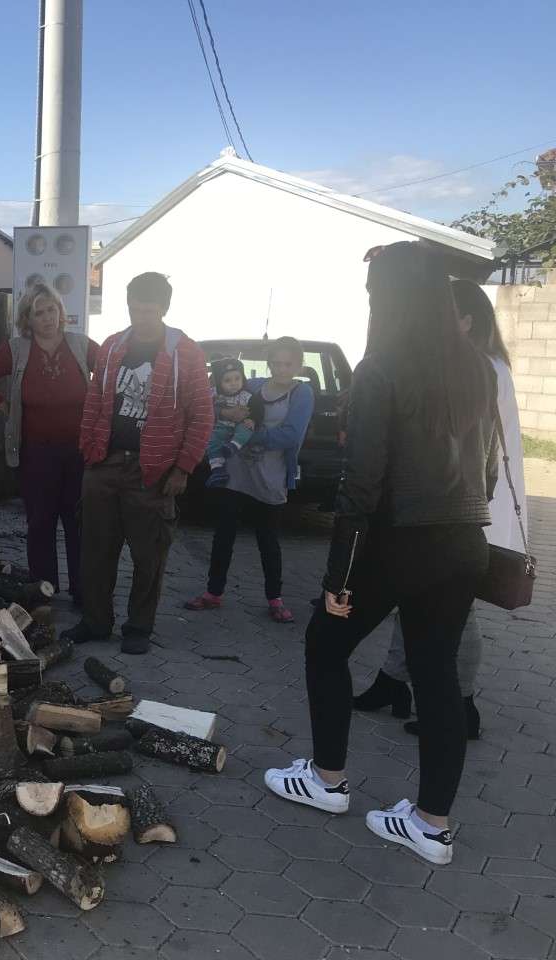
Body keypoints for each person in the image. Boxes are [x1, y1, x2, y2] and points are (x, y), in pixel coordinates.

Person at [263, 242, 496, 866]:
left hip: (398, 542)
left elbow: (360, 487)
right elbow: (488, 470)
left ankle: (328, 780)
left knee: (324, 644)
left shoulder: (382, 367)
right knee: (437, 674)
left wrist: (337, 577)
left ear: (388, 298)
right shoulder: (476, 366)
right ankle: (432, 825)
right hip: (463, 543)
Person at [353, 277, 522, 740]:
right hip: (452, 509)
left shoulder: (482, 367)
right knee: (412, 599)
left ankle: (463, 705)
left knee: (457, 616)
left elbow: (486, 453)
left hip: (466, 513)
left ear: (466, 320)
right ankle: (392, 681)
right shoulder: (468, 363)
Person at [61, 272, 214, 654]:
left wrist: (183, 468)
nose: (141, 317)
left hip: (153, 472)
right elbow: (95, 400)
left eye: (149, 310)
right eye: (135, 309)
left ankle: (139, 627)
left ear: (164, 308)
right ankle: (96, 621)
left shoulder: (186, 353)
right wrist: (89, 451)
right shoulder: (113, 346)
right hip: (105, 465)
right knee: (96, 550)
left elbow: (202, 415)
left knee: (149, 556)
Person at [0, 282, 97, 604]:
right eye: (39, 313)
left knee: (80, 523)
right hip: (36, 453)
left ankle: (83, 590)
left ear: (61, 312)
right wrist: (5, 407)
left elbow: (113, 374)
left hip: (80, 452)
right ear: (28, 318)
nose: (47, 318)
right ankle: (44, 589)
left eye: (52, 310)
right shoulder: (17, 350)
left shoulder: (81, 345)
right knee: (40, 523)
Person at [184, 338, 315, 623]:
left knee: (268, 540)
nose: (281, 369)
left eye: (288, 364)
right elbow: (219, 399)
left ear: (298, 365)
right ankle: (213, 592)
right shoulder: (254, 386)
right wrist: (224, 413)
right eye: (276, 363)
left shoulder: (302, 393)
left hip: (270, 477)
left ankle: (275, 599)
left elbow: (292, 435)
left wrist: (249, 436)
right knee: (223, 535)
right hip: (236, 473)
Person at [204, 357, 263, 488]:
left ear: (243, 379)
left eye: (237, 378)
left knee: (246, 428)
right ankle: (218, 470)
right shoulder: (214, 395)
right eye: (227, 380)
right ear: (219, 383)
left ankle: (233, 446)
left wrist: (254, 420)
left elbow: (258, 410)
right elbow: (204, 408)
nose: (233, 383)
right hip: (221, 427)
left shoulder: (248, 396)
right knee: (212, 442)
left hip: (240, 426)